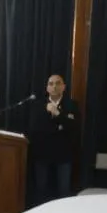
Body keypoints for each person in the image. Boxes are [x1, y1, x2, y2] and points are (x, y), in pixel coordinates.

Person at [26, 75, 79, 205]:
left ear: (64, 87)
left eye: (58, 83)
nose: (54, 86)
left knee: (64, 191)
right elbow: (36, 128)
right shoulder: (39, 105)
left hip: (63, 155)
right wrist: (60, 126)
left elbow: (73, 127)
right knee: (41, 190)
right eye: (51, 84)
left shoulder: (71, 104)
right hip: (42, 154)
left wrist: (57, 114)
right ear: (47, 87)